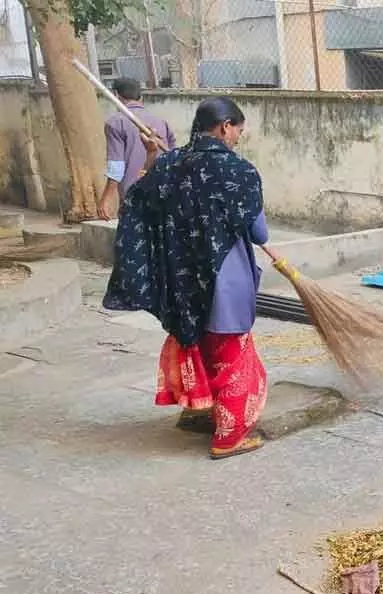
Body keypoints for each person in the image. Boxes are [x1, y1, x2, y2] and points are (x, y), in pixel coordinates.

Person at [103, 97, 272, 460]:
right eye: (239, 130)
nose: (238, 138)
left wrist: (153, 159)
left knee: (206, 346)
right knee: (232, 354)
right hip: (224, 277)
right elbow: (259, 234)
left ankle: (209, 414)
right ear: (225, 126)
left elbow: (137, 203)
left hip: (181, 280)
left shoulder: (169, 164)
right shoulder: (239, 171)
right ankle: (229, 437)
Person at [98, 77, 176, 221]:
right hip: (163, 193)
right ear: (141, 97)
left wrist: (106, 198)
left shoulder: (115, 122)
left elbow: (116, 166)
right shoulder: (161, 122)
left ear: (116, 95)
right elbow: (173, 158)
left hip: (133, 195)